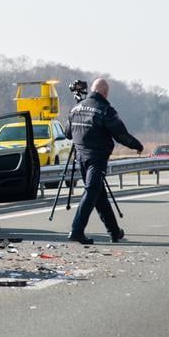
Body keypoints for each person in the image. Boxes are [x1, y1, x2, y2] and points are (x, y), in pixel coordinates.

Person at [65, 78, 144, 244]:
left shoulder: (75, 108)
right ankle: (76, 230)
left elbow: (68, 133)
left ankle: (114, 232)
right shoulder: (104, 110)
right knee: (92, 190)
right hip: (96, 158)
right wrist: (137, 145)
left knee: (99, 196)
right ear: (105, 93)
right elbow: (120, 134)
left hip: (80, 157)